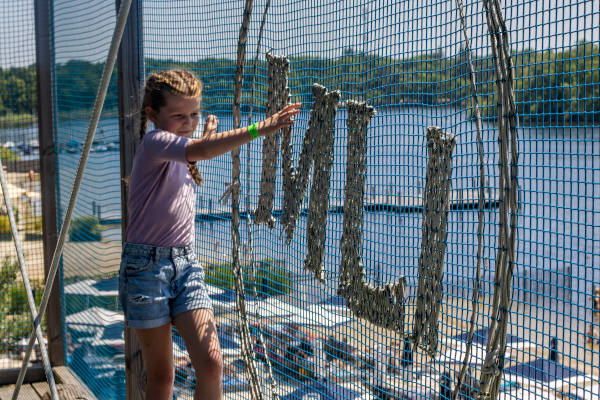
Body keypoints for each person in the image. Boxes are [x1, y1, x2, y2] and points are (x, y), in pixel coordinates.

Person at [118, 69, 301, 400]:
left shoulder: (181, 149)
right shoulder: (154, 142)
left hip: (186, 265)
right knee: (162, 375)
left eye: (194, 114)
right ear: (152, 115)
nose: (187, 122)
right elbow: (199, 150)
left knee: (212, 363)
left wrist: (206, 133)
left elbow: (195, 151)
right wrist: (263, 126)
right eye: (178, 116)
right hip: (146, 269)